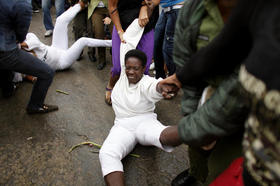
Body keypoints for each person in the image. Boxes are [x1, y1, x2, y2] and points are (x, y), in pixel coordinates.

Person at [159, 0, 280, 185]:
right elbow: (218, 51)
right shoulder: (195, 11)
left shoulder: (266, 15)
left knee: (221, 167)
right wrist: (188, 106)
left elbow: (236, 90)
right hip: (218, 112)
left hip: (247, 126)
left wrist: (186, 131)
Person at [99, 19, 175, 186]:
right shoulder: (123, 78)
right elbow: (127, 41)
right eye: (128, 67)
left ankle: (196, 129)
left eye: (136, 68)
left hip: (145, 122)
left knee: (162, 136)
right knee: (107, 153)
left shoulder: (147, 82)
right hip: (122, 125)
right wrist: (139, 22)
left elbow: (155, 87)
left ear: (143, 69)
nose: (131, 72)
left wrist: (162, 87)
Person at [0, 0, 58, 114]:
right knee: (47, 73)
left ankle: (8, 90)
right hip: (5, 51)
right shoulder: (23, 3)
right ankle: (35, 105)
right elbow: (21, 34)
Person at [21, 1, 112, 71]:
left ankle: (80, 4)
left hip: (55, 48)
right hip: (62, 61)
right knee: (82, 40)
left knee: (60, 20)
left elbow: (29, 43)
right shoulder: (18, 56)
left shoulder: (30, 38)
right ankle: (112, 43)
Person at [104, 0, 160, 105]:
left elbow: (156, 1)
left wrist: (144, 7)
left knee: (144, 67)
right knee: (118, 67)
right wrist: (120, 31)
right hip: (122, 25)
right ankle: (111, 85)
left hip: (145, 26)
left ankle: (136, 95)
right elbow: (112, 7)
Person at [153, 0, 184, 79]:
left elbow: (154, 2)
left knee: (168, 47)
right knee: (157, 44)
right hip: (166, 9)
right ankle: (159, 78)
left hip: (176, 8)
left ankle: (173, 80)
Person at [88, 0, 113, 70]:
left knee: (115, 34)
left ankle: (117, 60)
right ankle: (102, 60)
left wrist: (109, 16)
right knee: (98, 34)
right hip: (96, 9)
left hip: (112, 6)